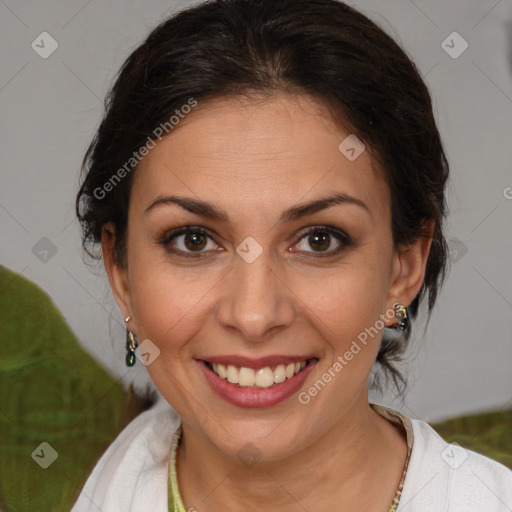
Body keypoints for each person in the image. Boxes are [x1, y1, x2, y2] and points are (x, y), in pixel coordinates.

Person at [71, 0, 512, 511]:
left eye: (319, 240)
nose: (254, 315)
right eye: (193, 240)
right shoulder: (116, 480)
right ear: (121, 272)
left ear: (404, 266)